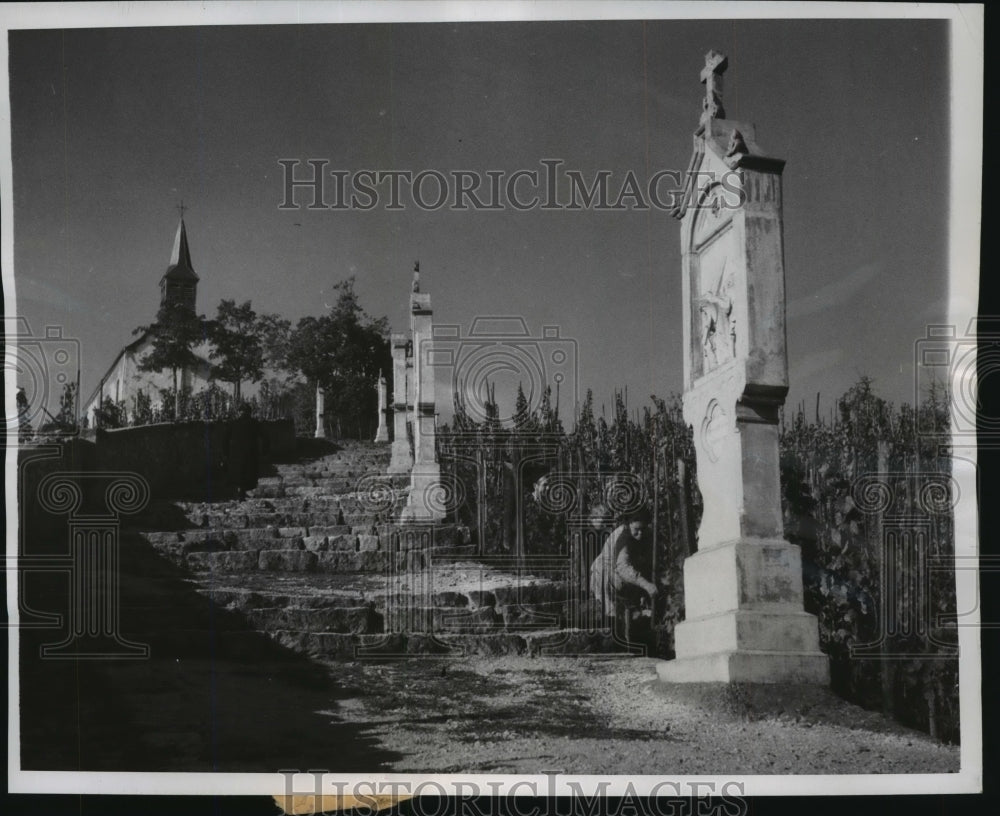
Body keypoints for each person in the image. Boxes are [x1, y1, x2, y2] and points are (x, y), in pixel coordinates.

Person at [589, 506, 657, 623]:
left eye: (643, 529)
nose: (640, 533)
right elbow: (623, 568)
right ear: (629, 524)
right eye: (637, 529)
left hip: (622, 581)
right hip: (605, 579)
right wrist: (646, 585)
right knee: (613, 618)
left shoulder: (646, 534)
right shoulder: (622, 538)